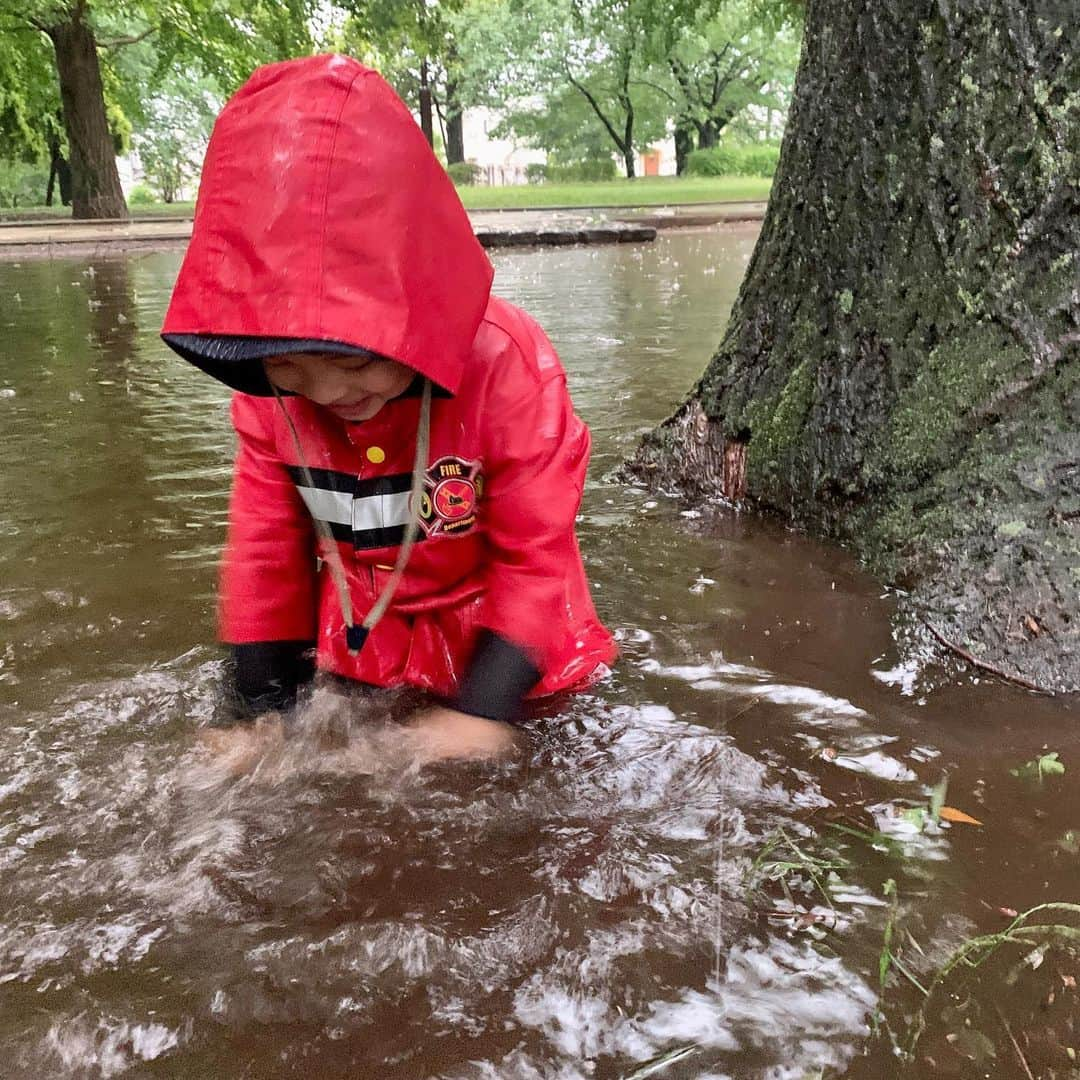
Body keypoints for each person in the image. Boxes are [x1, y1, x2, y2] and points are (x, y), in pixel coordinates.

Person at [160, 54, 616, 763]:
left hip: (503, 640)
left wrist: (485, 710)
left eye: (353, 361)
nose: (327, 394)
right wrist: (259, 709)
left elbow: (534, 559)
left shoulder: (508, 366)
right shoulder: (270, 401)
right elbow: (264, 554)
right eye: (287, 366)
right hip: (364, 641)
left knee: (540, 760)